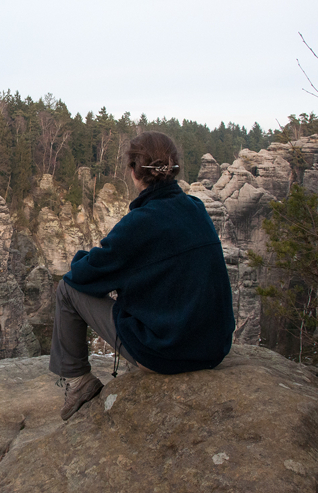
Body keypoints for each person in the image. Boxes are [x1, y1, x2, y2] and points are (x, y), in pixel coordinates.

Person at [50, 131, 235, 421]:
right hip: (213, 349)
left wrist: (82, 261)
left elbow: (84, 277)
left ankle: (78, 382)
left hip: (166, 354)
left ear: (134, 172)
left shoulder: (140, 223)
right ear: (175, 170)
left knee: (66, 289)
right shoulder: (196, 209)